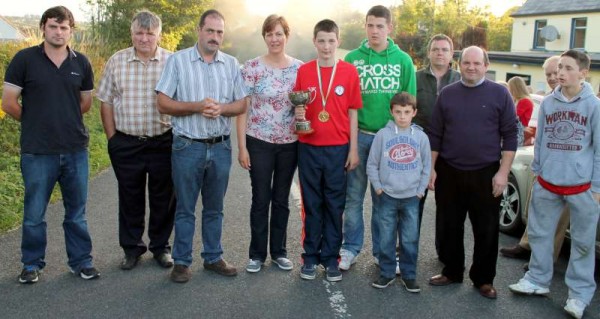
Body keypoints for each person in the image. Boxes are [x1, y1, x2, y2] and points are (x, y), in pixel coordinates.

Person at [1, 6, 100, 283]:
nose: (59, 32)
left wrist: (62, 120)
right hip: (37, 151)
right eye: (54, 26)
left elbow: (85, 103)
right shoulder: (24, 60)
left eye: (64, 27)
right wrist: (36, 123)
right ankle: (31, 265)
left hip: (74, 150)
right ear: (43, 27)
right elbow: (9, 103)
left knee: (76, 213)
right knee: (34, 214)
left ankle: (81, 262)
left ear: (71, 31)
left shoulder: (81, 62)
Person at [155, 9, 247, 283]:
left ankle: (213, 257)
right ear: (199, 30)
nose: (215, 37)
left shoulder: (231, 64)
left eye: (220, 32)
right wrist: (197, 107)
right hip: (188, 146)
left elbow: (242, 104)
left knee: (215, 207)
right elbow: (163, 102)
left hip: (220, 147)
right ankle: (182, 262)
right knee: (185, 207)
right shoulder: (178, 61)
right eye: (210, 31)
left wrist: (223, 108)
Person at [509, 50, 600, 319]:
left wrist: (596, 187)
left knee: (583, 245)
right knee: (539, 234)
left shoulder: (593, 106)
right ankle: (537, 280)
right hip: (548, 182)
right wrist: (537, 172)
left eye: (568, 68)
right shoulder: (549, 102)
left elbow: (598, 150)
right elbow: (541, 141)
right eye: (559, 67)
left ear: (583, 73)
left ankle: (579, 296)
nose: (560, 72)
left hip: (582, 187)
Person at [427, 46, 518, 299]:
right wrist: (431, 168)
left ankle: (484, 280)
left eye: (477, 63)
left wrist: (503, 173)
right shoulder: (447, 94)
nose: (471, 67)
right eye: (466, 62)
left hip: (487, 172)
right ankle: (452, 271)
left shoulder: (500, 93)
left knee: (487, 229)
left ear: (486, 66)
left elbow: (511, 135)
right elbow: (435, 133)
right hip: (449, 169)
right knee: (449, 225)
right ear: (459, 64)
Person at [96, 10, 175, 271]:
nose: (144, 38)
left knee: (163, 197)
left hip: (162, 141)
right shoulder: (117, 61)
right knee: (130, 197)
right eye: (139, 33)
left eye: (150, 33)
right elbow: (105, 101)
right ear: (132, 34)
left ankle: (160, 247)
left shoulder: (172, 62)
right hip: (127, 143)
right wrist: (112, 139)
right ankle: (132, 249)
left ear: (159, 35)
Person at [340, 5, 416, 271]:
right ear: (365, 26)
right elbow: (344, 104)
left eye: (380, 26)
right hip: (358, 136)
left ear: (389, 28)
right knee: (353, 198)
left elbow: (409, 103)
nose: (374, 31)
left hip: (389, 139)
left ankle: (383, 253)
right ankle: (349, 248)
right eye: (370, 25)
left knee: (384, 201)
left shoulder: (403, 61)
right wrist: (350, 143)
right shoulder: (351, 59)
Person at [294, 19, 362, 282]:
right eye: (321, 40)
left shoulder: (348, 72)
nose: (326, 46)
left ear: (338, 42)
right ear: (314, 42)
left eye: (331, 41)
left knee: (335, 205)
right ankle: (310, 257)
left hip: (337, 148)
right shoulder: (304, 71)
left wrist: (353, 149)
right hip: (309, 147)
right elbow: (299, 107)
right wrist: (298, 111)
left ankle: (331, 259)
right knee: (312, 205)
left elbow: (353, 113)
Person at [237, 15, 302, 273]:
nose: (274, 39)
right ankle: (256, 255)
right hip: (259, 141)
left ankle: (279, 252)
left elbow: (305, 104)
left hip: (290, 143)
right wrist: (242, 147)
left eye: (279, 34)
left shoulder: (300, 68)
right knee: (260, 197)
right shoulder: (252, 68)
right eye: (269, 34)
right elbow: (242, 109)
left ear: (287, 36)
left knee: (281, 199)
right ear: (264, 37)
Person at [499, 56, 570, 268]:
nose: (551, 78)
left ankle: (543, 261)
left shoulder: (578, 101)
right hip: (543, 163)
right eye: (547, 74)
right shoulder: (550, 98)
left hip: (567, 170)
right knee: (534, 207)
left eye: (554, 73)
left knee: (558, 218)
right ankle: (527, 245)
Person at [366, 92, 430, 291]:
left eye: (407, 112)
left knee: (410, 239)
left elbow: (427, 166)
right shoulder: (383, 135)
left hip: (412, 197)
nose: (402, 116)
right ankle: (386, 273)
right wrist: (378, 187)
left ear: (414, 113)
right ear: (391, 112)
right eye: (398, 112)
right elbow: (372, 164)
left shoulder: (421, 137)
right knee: (386, 238)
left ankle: (409, 275)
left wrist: (420, 191)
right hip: (387, 197)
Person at [414, 33, 460, 260]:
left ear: (451, 54)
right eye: (435, 49)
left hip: (451, 151)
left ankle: (444, 252)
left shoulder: (461, 79)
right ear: (429, 53)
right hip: (420, 147)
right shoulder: (415, 78)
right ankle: (407, 249)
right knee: (414, 201)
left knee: (448, 205)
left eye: (444, 49)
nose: (439, 53)